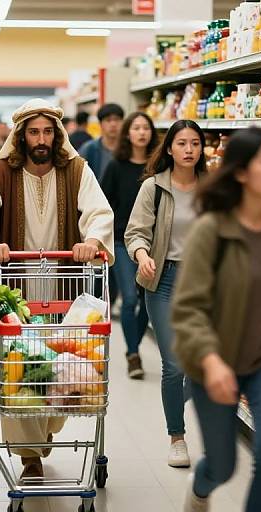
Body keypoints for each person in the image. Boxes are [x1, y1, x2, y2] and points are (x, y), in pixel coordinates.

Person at [0, 98, 114, 479]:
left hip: (66, 287)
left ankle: (43, 430)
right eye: (34, 132)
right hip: (15, 292)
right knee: (21, 369)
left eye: (48, 131)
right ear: (21, 136)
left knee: (60, 369)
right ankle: (30, 455)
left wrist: (93, 240)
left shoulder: (77, 171)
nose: (41, 139)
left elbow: (99, 212)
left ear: (58, 135)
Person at [172, 128, 261, 512]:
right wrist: (211, 361)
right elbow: (188, 309)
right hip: (216, 361)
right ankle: (201, 487)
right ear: (240, 172)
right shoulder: (212, 231)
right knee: (223, 466)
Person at [125, 120, 206, 469]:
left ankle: (182, 399)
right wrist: (143, 256)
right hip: (164, 280)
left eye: (195, 143)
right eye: (182, 143)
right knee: (174, 366)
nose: (189, 149)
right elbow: (135, 232)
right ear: (169, 148)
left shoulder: (213, 189)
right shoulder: (153, 188)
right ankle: (177, 437)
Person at [101, 112, 158, 380]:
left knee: (147, 301)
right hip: (122, 241)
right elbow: (104, 203)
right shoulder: (116, 166)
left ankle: (132, 349)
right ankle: (133, 354)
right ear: (128, 133)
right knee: (129, 297)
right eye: (136, 128)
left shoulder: (158, 167)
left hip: (154, 243)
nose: (141, 132)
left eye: (146, 127)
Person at [79, 103, 125, 183]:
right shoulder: (89, 149)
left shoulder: (128, 148)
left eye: (117, 119)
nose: (113, 124)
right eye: (108, 120)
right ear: (100, 124)